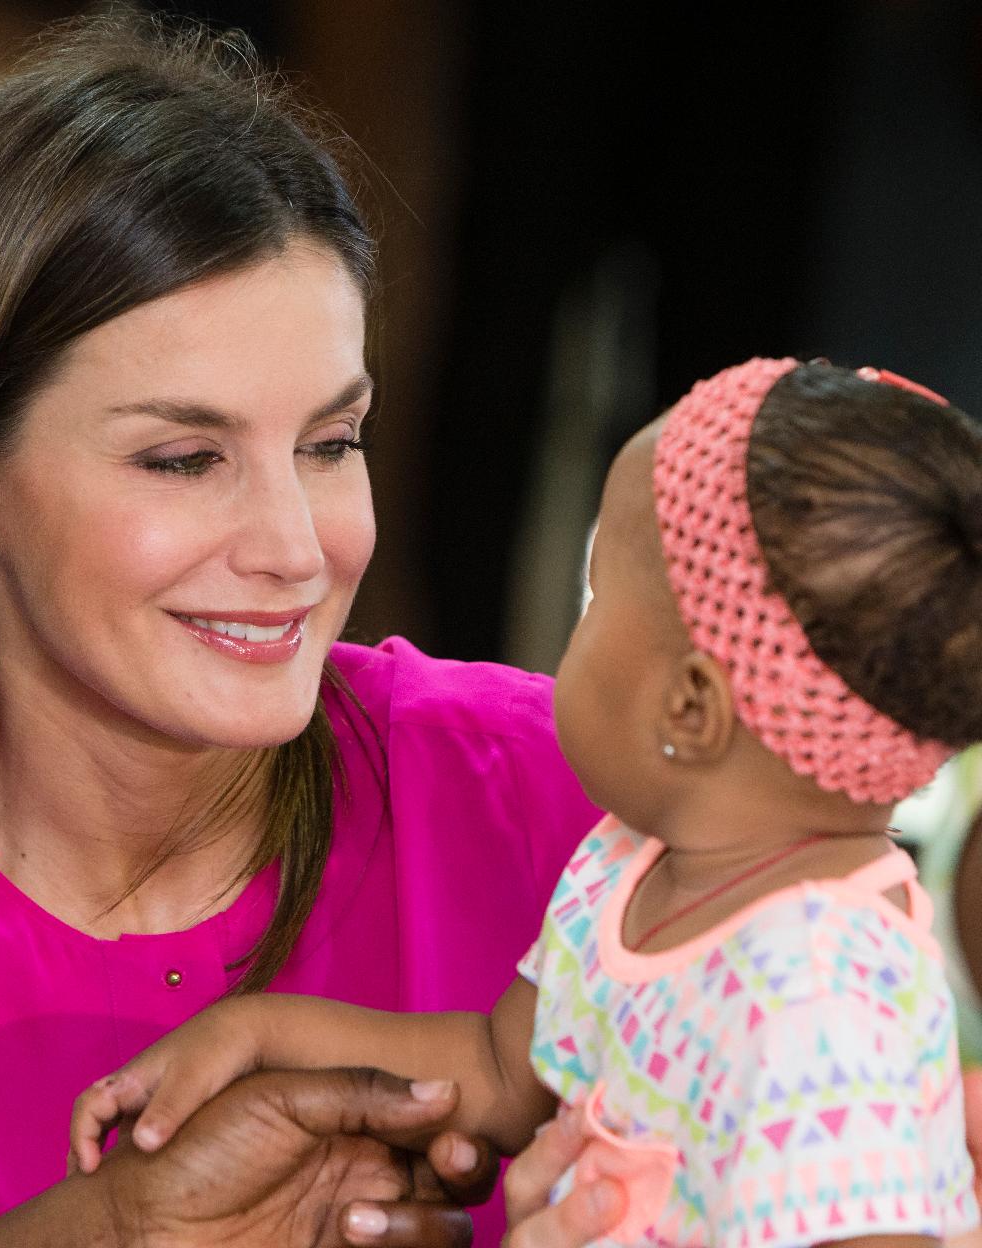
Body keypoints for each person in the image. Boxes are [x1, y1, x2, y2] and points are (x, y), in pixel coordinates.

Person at [0, 12, 612, 1247]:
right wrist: (125, 1227)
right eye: (185, 459)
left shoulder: (563, 792)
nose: (295, 549)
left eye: (331, 443)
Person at [71, 358, 982, 1246]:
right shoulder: (630, 866)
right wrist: (255, 1032)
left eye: (596, 596)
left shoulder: (823, 988)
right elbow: (501, 1070)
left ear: (689, 709)